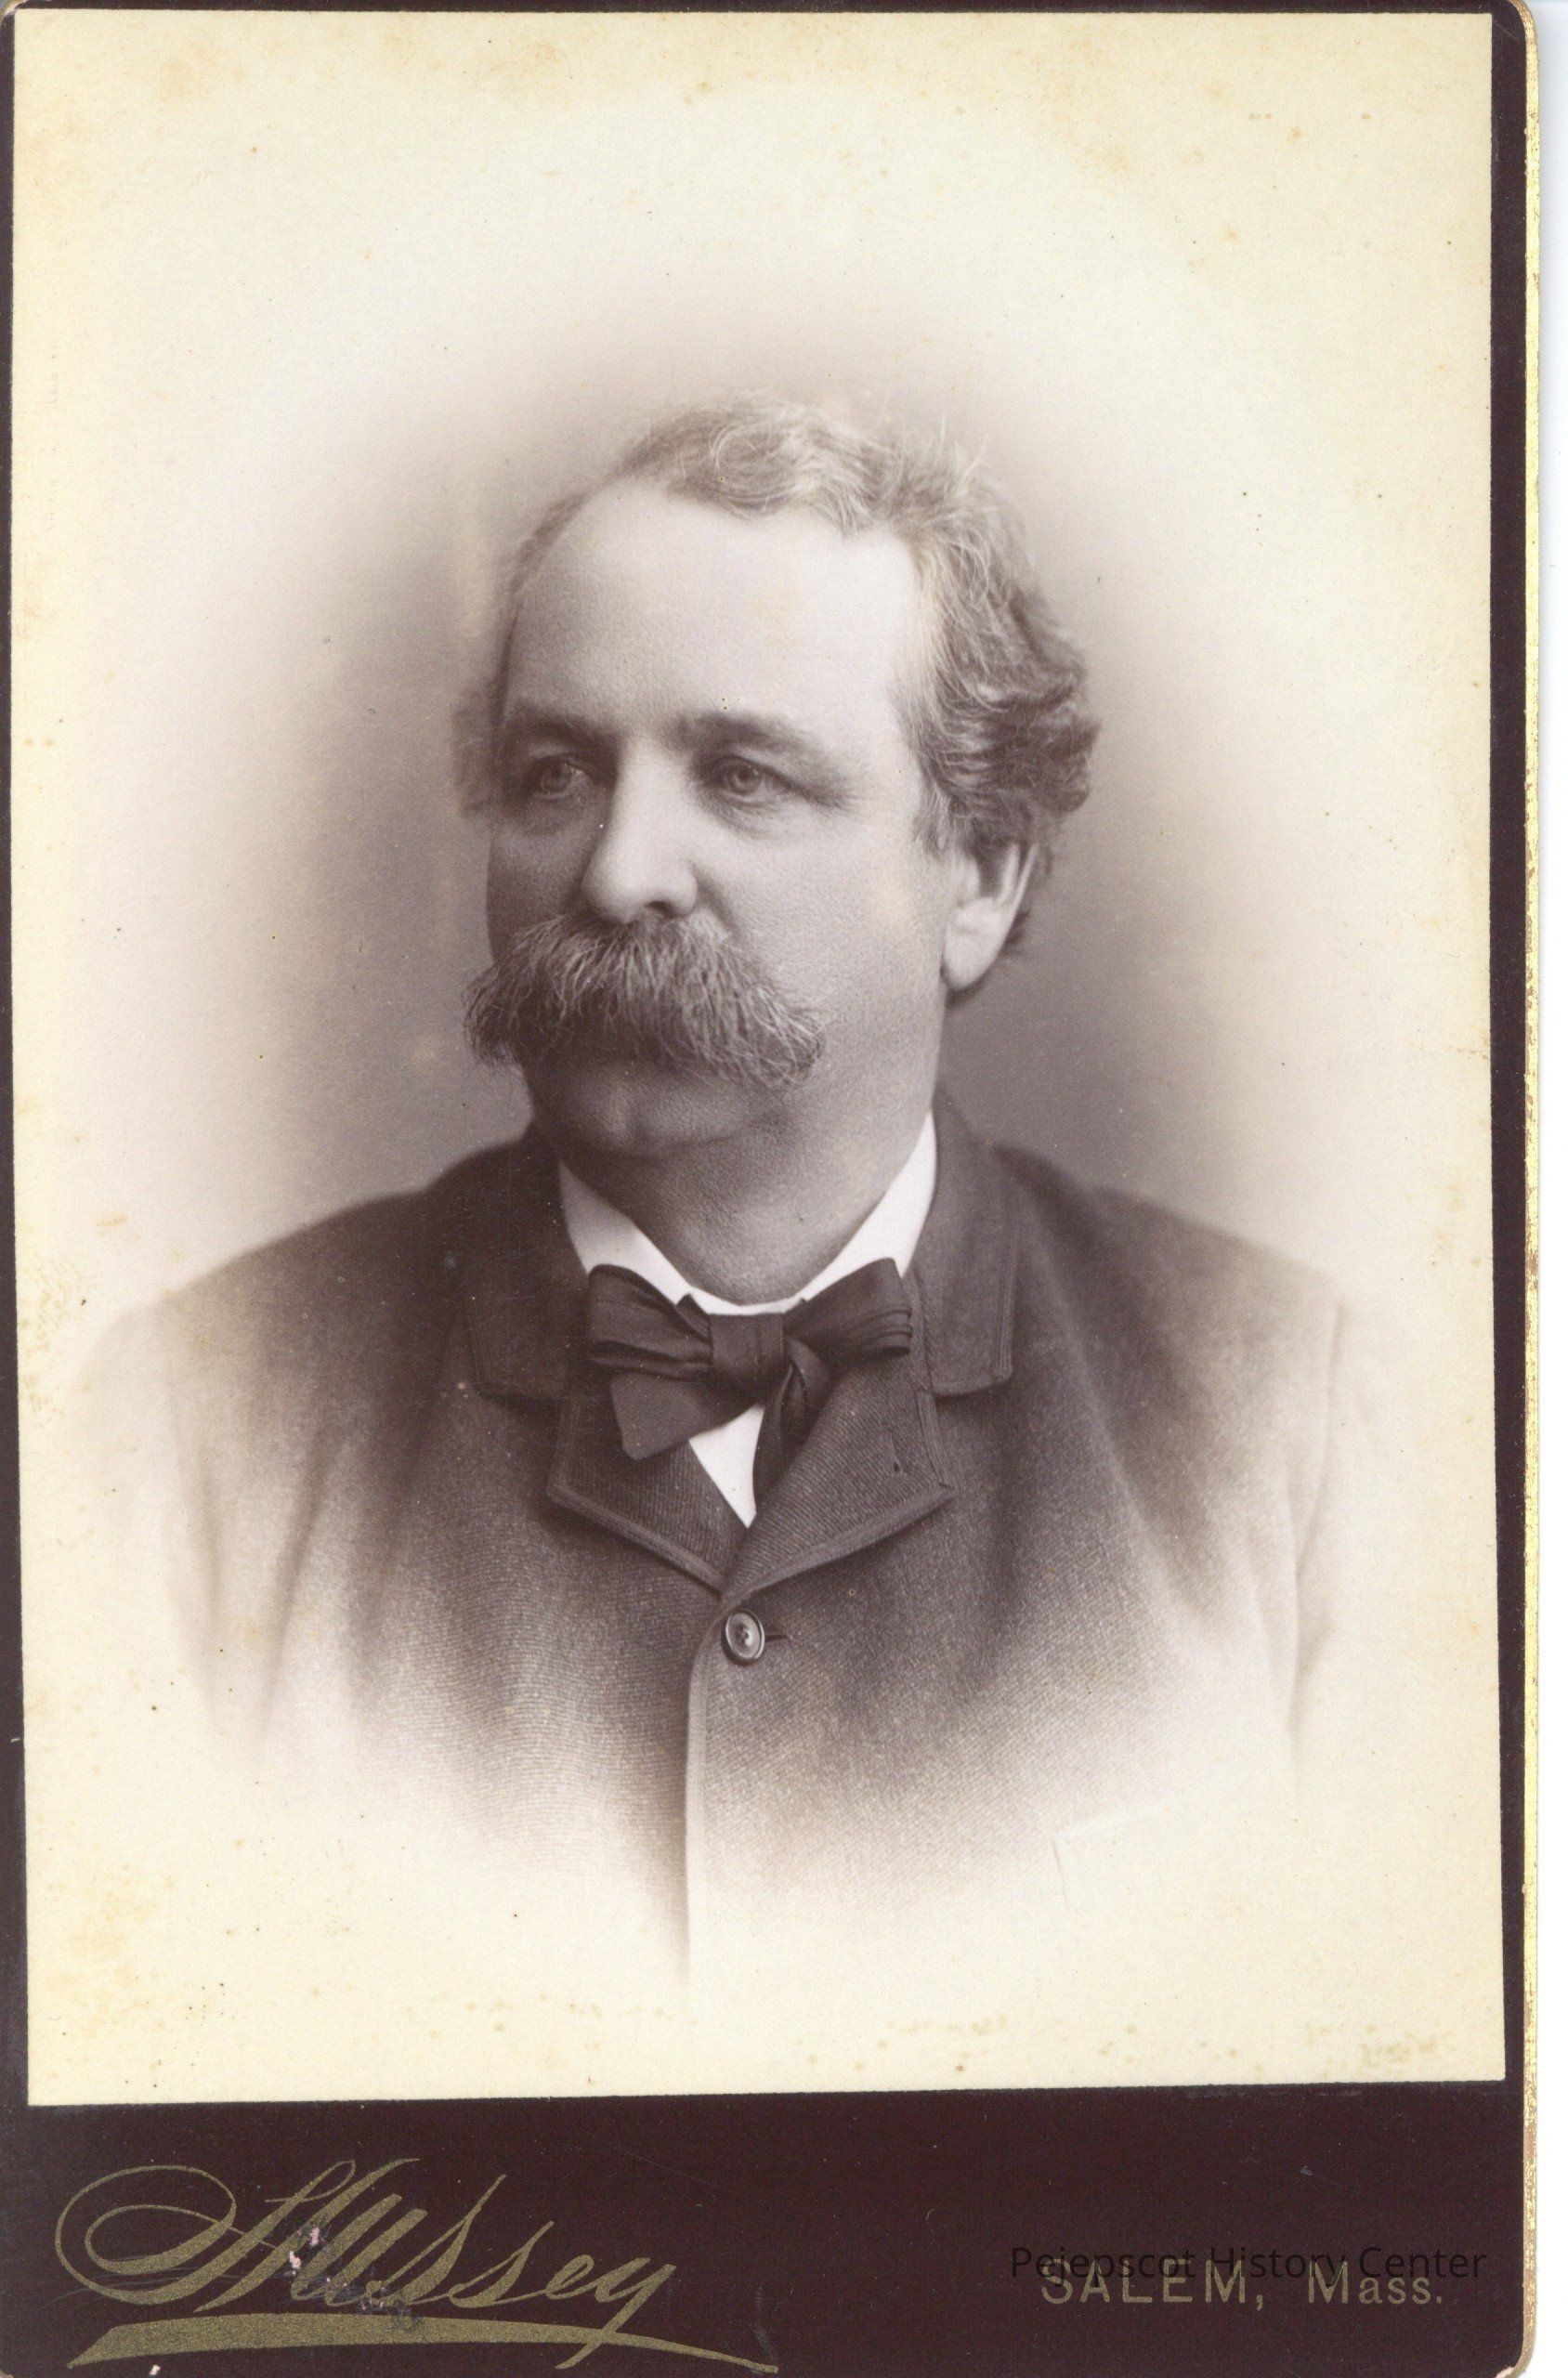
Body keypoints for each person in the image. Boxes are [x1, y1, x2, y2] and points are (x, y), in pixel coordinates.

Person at [80, 396, 1370, 2003]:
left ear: (979, 875)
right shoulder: (183, 1442)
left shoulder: (1294, 1426)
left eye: (744, 776)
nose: (619, 870)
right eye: (555, 773)